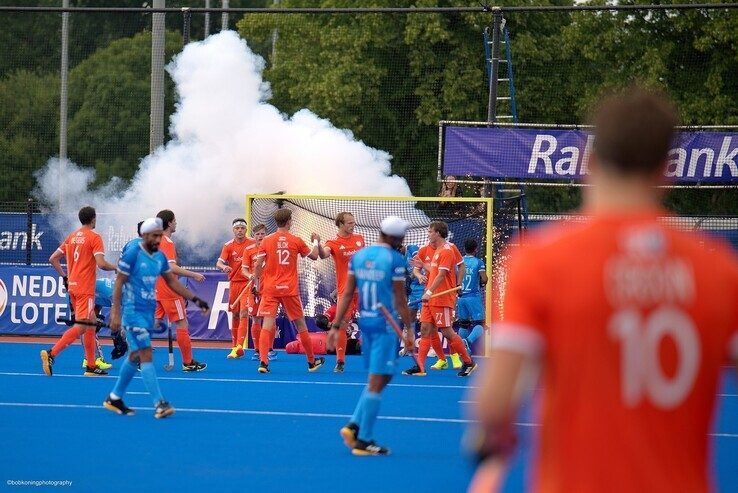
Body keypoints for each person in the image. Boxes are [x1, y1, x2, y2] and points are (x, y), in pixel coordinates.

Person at [469, 86, 738, 493]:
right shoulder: (717, 269)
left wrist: (495, 434)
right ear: (668, 170)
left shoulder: (543, 259)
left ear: (590, 162)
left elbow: (493, 400)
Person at [103, 217, 210, 418]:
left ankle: (115, 397)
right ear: (144, 236)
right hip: (132, 312)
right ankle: (159, 403)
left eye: (159, 235)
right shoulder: (133, 255)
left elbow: (172, 282)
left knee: (135, 356)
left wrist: (196, 299)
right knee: (145, 353)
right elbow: (118, 283)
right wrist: (115, 313)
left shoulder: (159, 257)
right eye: (154, 235)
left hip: (146, 312)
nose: (158, 238)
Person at [328, 216, 415, 456]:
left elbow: (346, 295)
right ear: (394, 237)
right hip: (385, 325)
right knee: (378, 381)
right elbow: (400, 299)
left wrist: (336, 326)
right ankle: (364, 440)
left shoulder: (359, 256)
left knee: (381, 377)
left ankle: (354, 425)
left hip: (366, 323)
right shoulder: (395, 259)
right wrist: (409, 329)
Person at [42, 206, 118, 376]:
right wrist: (116, 268)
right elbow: (101, 263)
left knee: (90, 325)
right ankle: (51, 353)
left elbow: (53, 258)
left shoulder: (72, 236)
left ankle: (91, 366)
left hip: (73, 287)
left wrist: (64, 277)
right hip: (85, 288)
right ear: (93, 219)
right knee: (82, 326)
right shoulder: (94, 237)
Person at [253, 208, 324, 373]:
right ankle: (311, 362)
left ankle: (263, 362)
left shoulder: (266, 241)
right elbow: (314, 256)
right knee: (301, 325)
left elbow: (257, 265)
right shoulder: (296, 240)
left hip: (270, 288)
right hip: (289, 290)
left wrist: (257, 285)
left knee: (267, 325)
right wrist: (315, 241)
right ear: (289, 222)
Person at [404, 221, 476, 377]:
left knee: (447, 332)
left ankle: (469, 362)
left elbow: (442, 275)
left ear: (437, 233)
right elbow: (435, 271)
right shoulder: (437, 251)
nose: (428, 234)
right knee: (424, 329)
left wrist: (429, 292)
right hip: (430, 298)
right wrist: (423, 267)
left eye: (430, 231)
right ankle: (420, 366)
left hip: (441, 297)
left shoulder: (447, 251)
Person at [154, 209, 207, 372]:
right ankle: (188, 362)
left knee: (153, 323)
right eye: (175, 220)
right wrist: (193, 274)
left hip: (156, 287)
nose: (176, 223)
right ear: (169, 223)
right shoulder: (167, 242)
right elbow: (171, 267)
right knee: (182, 322)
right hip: (168, 289)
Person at [318, 211, 366, 372]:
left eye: (353, 222)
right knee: (342, 326)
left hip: (364, 290)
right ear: (340, 224)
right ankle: (340, 361)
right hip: (345, 292)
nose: (353, 225)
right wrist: (317, 244)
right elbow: (323, 254)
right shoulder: (332, 243)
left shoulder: (359, 239)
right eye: (349, 223)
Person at [216, 218, 256, 359]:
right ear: (233, 230)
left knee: (245, 313)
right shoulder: (228, 245)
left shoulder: (252, 243)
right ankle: (234, 346)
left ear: (246, 230)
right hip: (234, 284)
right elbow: (219, 262)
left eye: (242, 228)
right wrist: (224, 267)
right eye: (237, 228)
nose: (240, 230)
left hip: (248, 283)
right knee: (235, 314)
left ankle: (240, 346)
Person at [241, 223, 276, 361]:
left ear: (266, 234)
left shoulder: (271, 248)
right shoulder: (248, 250)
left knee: (269, 318)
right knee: (255, 317)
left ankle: (270, 349)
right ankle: (256, 350)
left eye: (262, 233)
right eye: (257, 234)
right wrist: (249, 275)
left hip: (269, 287)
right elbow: (244, 269)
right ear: (253, 236)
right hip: (254, 288)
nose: (260, 236)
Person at [456, 238, 488, 355]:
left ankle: (463, 352)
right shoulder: (478, 262)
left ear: (464, 249)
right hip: (473, 297)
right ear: (476, 249)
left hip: (461, 297)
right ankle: (467, 341)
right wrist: (483, 281)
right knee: (480, 324)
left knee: (463, 324)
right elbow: (484, 278)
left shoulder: (459, 262)